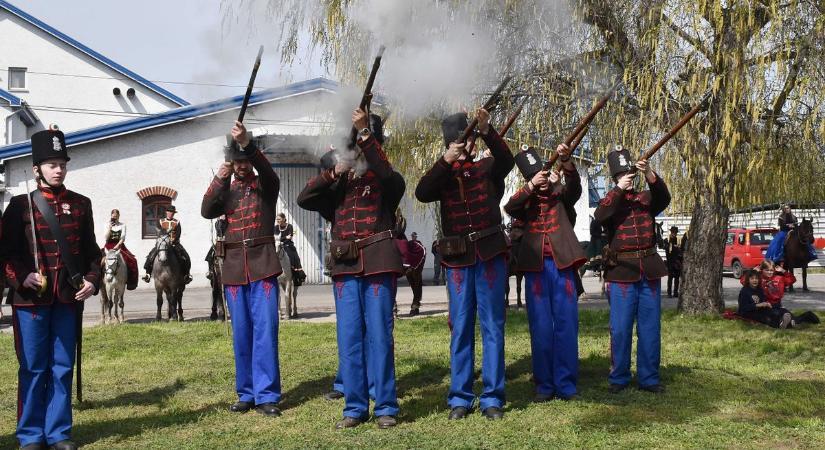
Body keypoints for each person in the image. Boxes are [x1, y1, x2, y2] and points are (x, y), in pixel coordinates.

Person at [297, 109, 404, 429]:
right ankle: (355, 407)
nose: (358, 152)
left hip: (379, 264)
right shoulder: (337, 183)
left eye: (363, 146)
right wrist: (334, 173)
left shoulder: (386, 180)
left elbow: (388, 175)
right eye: (354, 146)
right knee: (349, 339)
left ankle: (385, 406)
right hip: (345, 267)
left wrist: (365, 135)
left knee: (381, 338)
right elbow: (305, 198)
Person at [1, 127, 101, 450]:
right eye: (51, 164)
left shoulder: (81, 205)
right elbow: (4, 255)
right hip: (30, 303)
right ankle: (30, 435)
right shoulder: (18, 207)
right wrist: (21, 277)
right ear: (36, 170)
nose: (58, 169)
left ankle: (58, 432)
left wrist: (92, 280)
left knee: (62, 366)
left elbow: (92, 254)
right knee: (33, 367)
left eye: (62, 163)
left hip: (66, 300)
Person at [415, 108, 514, 420]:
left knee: (492, 326)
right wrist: (447, 160)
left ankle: (493, 397)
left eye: (469, 140)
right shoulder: (442, 174)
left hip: (490, 254)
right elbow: (422, 192)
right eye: (461, 141)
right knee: (460, 328)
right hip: (458, 258)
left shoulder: (486, 167)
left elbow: (507, 161)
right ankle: (460, 397)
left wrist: (487, 129)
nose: (467, 146)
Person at [201, 121, 283, 417]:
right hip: (235, 268)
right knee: (242, 333)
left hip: (262, 265)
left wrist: (248, 144)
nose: (242, 166)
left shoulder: (266, 185)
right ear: (231, 163)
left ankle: (267, 394)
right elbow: (207, 210)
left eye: (246, 160)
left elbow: (270, 172)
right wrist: (219, 180)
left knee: (265, 331)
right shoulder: (227, 189)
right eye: (237, 161)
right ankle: (246, 392)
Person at [504, 143, 586, 402]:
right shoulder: (525, 198)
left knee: (566, 325)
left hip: (562, 265)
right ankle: (544, 384)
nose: (539, 178)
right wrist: (530, 187)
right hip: (536, 268)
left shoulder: (560, 191)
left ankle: (566, 384)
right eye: (533, 175)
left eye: (541, 173)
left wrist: (566, 162)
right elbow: (510, 207)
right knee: (540, 327)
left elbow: (575, 189)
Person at [594, 145, 671, 394]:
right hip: (621, 272)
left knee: (650, 328)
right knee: (620, 328)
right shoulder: (610, 200)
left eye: (629, 174)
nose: (627, 178)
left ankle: (649, 378)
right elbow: (601, 215)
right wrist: (619, 189)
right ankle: (619, 378)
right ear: (615, 177)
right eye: (621, 175)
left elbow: (663, 197)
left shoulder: (646, 199)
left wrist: (649, 172)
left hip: (648, 268)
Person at [142, 205, 192, 284]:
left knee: (185, 256)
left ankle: (186, 275)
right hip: (162, 243)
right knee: (151, 255)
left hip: (174, 244)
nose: (170, 213)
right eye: (169, 212)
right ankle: (147, 274)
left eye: (172, 212)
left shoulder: (177, 222)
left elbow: (178, 233)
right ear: (166, 212)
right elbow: (158, 232)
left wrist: (173, 241)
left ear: (174, 213)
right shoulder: (161, 221)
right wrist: (163, 240)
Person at [102, 209, 139, 290]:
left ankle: (131, 282)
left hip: (120, 246)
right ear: (111, 216)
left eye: (116, 216)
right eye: (113, 216)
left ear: (119, 216)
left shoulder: (122, 225)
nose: (115, 217)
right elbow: (106, 237)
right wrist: (110, 228)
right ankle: (98, 282)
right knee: (99, 261)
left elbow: (123, 238)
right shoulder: (107, 224)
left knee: (132, 260)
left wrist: (118, 245)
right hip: (108, 246)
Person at [274, 213, 306, 286]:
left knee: (292, 256)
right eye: (277, 219)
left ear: (284, 219)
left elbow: (290, 238)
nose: (277, 220)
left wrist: (282, 239)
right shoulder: (276, 227)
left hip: (288, 245)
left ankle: (295, 274)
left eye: (279, 219)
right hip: (278, 245)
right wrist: (285, 238)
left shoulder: (289, 226)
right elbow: (276, 238)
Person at [406, 232, 426, 316]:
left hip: (415, 267)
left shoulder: (419, 244)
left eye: (415, 236)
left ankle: (415, 305)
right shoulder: (408, 244)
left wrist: (416, 266)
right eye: (412, 236)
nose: (413, 237)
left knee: (416, 285)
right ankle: (416, 304)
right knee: (413, 285)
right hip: (408, 267)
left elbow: (423, 252)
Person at [664, 226, 683, 298]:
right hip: (670, 261)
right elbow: (667, 250)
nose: (674, 234)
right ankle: (669, 293)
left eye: (675, 233)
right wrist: (674, 247)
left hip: (677, 261)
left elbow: (680, 250)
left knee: (677, 278)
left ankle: (675, 292)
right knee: (670, 278)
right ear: (671, 232)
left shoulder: (678, 240)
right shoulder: (667, 240)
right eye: (673, 232)